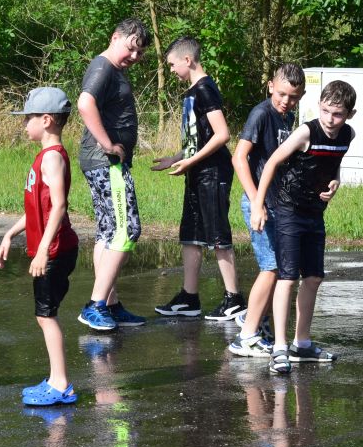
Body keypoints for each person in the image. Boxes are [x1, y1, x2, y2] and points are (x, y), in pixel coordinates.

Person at [251, 80, 356, 374]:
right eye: (325, 111)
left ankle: (302, 344)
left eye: (337, 114)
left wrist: (335, 182)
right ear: (318, 107)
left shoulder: (348, 134)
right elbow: (271, 163)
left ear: (349, 114)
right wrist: (258, 205)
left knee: (313, 278)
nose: (330, 119)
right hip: (288, 210)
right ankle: (280, 348)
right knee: (287, 277)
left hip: (314, 212)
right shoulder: (306, 132)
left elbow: (333, 163)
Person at [0, 87, 80, 406]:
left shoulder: (53, 157)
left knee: (46, 316)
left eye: (27, 118)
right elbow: (37, 209)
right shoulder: (45, 157)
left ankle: (61, 384)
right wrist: (10, 233)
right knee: (44, 315)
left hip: (55, 249)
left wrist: (43, 250)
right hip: (51, 247)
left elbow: (59, 206)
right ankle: (57, 379)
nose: (24, 124)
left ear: (46, 120)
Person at [152, 36, 244, 319]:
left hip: (213, 172)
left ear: (187, 60)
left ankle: (234, 299)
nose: (170, 70)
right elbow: (198, 138)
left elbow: (222, 134)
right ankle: (189, 297)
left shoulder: (205, 89)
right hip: (197, 171)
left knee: (217, 235)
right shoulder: (192, 91)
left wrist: (190, 161)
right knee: (190, 234)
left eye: (172, 64)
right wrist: (176, 158)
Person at [76, 18, 150, 331]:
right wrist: (107, 144)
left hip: (103, 163)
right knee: (127, 229)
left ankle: (109, 304)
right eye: (131, 48)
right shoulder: (103, 67)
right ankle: (95, 306)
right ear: (115, 37)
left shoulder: (112, 69)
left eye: (140, 53)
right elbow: (85, 103)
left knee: (108, 231)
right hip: (106, 163)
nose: (134, 56)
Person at [228, 63, 306, 356]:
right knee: (271, 267)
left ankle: (258, 323)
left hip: (278, 203)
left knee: (280, 268)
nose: (286, 101)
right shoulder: (261, 114)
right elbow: (239, 158)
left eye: (294, 97)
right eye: (282, 94)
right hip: (258, 202)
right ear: (271, 86)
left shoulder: (288, 117)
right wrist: (256, 202)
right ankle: (245, 336)